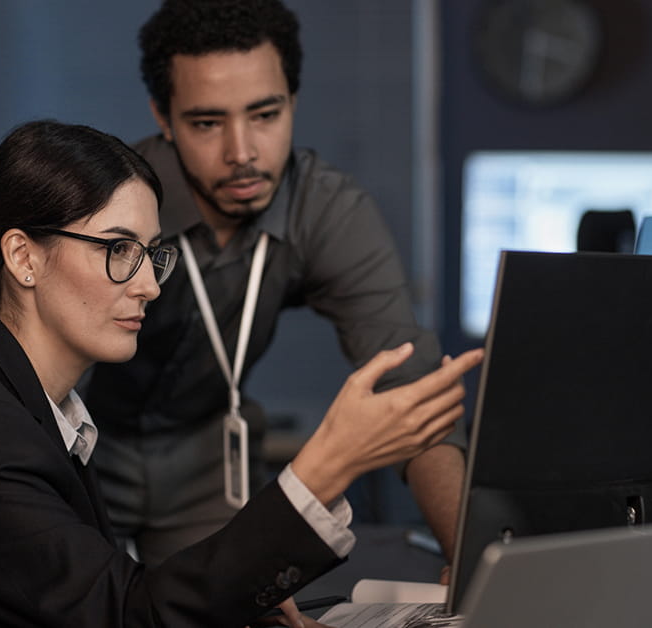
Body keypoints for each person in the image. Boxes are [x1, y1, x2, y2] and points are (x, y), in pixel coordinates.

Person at [0, 119, 482, 627]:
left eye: (152, 253)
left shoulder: (34, 412)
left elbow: (103, 598)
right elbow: (130, 616)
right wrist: (328, 464)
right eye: (119, 250)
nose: (147, 283)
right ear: (23, 257)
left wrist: (234, 604)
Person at [83, 0, 469, 571]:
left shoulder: (326, 209)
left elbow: (407, 387)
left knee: (246, 608)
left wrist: (477, 570)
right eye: (207, 123)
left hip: (210, 455)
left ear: (292, 101)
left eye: (265, 114)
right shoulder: (106, 200)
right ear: (163, 117)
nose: (242, 153)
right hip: (84, 445)